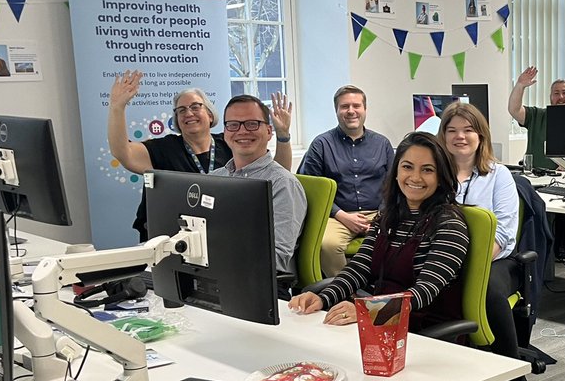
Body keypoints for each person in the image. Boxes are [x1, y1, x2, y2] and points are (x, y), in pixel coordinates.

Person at [289, 132, 471, 381]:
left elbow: (425, 291)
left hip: (424, 334)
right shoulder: (388, 215)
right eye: (407, 167)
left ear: (441, 175)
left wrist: (364, 311)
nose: (416, 177)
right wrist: (321, 295)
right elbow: (360, 271)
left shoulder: (450, 223)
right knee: (317, 375)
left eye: (427, 169)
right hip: (382, 328)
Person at [107, 71, 293, 240]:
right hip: (169, 240)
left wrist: (283, 136)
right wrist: (117, 107)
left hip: (218, 239)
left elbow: (275, 174)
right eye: (181, 110)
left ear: (210, 115)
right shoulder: (163, 148)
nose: (188, 113)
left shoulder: (230, 143)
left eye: (196, 107)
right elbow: (122, 152)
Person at [441, 101, 520, 361]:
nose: (459, 136)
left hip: (494, 259)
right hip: (445, 258)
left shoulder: (499, 175)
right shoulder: (435, 176)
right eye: (452, 130)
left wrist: (469, 264)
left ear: (480, 135)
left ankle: (511, 369)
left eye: (467, 130)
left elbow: (505, 231)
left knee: (489, 293)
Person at [298, 85, 395, 277]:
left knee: (402, 242)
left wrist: (380, 217)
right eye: (344, 106)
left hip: (378, 213)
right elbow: (312, 191)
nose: (351, 111)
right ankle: (346, 294)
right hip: (338, 216)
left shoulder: (382, 144)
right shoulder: (321, 145)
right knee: (327, 245)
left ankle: (383, 291)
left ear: (364, 109)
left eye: (356, 105)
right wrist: (342, 215)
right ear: (336, 111)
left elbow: (393, 185)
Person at [213, 95, 306, 277]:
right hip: (214, 274)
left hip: (259, 282)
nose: (242, 131)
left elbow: (277, 257)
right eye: (233, 124)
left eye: (252, 124)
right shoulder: (215, 179)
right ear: (225, 132)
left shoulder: (282, 184)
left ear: (269, 131)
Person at [507, 68, 565, 262]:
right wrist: (520, 85)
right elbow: (514, 109)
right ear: (550, 97)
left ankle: (561, 242)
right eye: (556, 93)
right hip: (537, 178)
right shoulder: (538, 116)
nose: (561, 97)